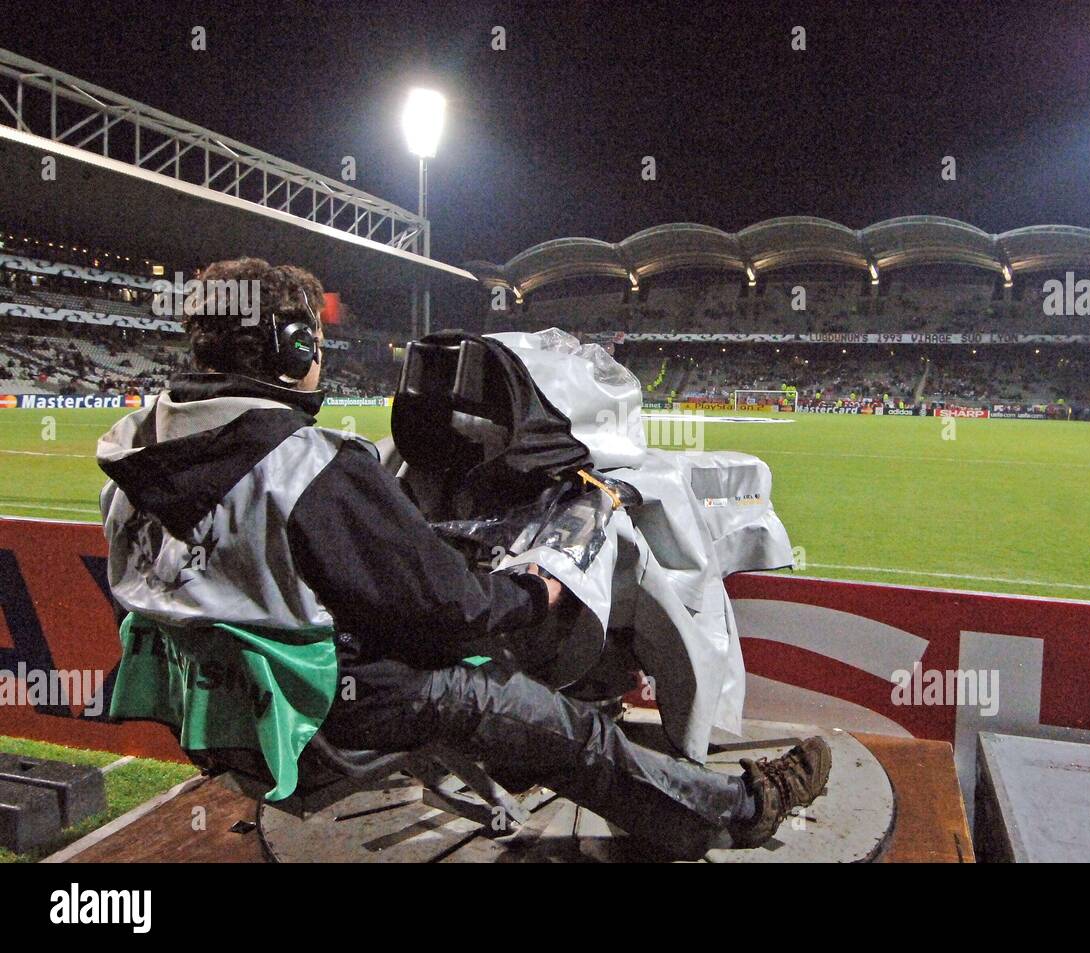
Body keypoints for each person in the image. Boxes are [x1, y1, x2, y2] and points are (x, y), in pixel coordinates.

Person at [97, 257, 830, 859]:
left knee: (486, 685)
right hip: (327, 720)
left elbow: (275, 576)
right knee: (552, 722)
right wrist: (537, 591)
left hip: (223, 721)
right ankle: (733, 810)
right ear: (294, 346)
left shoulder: (131, 456)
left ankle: (527, 753)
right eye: (313, 340)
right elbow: (451, 613)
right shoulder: (305, 466)